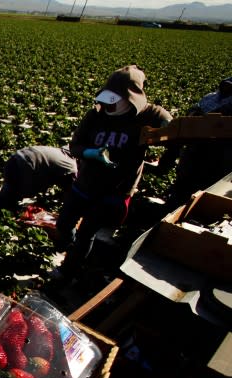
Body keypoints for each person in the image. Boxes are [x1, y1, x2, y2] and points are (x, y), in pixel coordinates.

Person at [54, 64, 173, 279]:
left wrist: (164, 135)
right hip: (85, 184)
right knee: (64, 222)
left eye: (114, 101)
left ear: (132, 98)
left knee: (87, 232)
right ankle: (67, 245)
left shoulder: (148, 114)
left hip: (114, 192)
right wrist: (91, 153)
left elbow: (173, 129)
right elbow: (75, 146)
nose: (107, 107)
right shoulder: (95, 116)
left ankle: (68, 271)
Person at [162, 76, 232, 210]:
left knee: (208, 197)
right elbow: (191, 117)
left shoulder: (216, 101)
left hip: (219, 161)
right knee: (183, 192)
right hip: (195, 155)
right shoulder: (210, 98)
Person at [0, 146, 78, 219]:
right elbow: (71, 193)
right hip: (24, 168)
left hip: (14, 159)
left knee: (8, 195)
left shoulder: (60, 153)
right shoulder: (71, 166)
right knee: (7, 197)